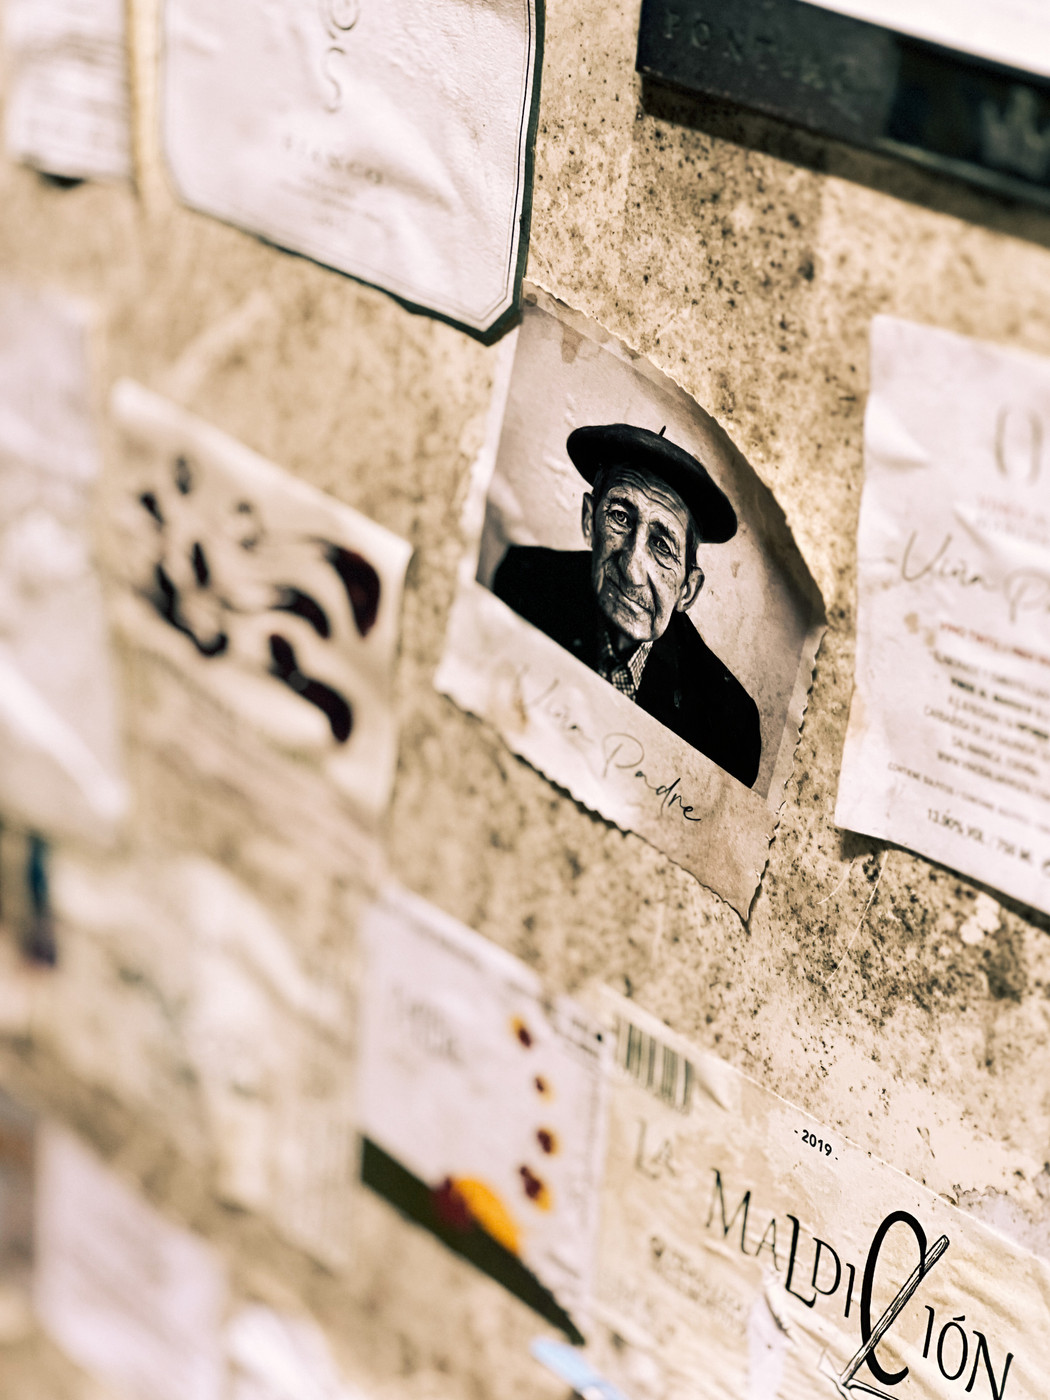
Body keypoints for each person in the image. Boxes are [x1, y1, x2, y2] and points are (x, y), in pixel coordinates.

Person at [492, 423, 761, 788]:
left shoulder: (727, 722)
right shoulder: (525, 583)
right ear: (590, 520)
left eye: (662, 546)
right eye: (619, 517)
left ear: (688, 589)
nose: (632, 569)